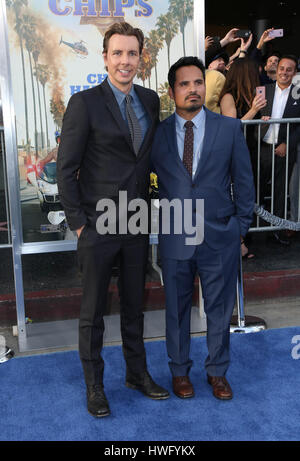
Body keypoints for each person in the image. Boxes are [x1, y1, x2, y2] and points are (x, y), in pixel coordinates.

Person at [57, 21, 169, 418]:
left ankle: (137, 375)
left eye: (132, 53)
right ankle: (95, 386)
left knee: (135, 306)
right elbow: (65, 168)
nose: (125, 61)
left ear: (141, 57)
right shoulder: (84, 103)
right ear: (105, 58)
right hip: (98, 226)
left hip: (136, 222)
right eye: (118, 53)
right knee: (93, 313)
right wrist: (79, 223)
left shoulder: (150, 99)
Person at [151, 57, 255, 400]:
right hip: (175, 236)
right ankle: (179, 371)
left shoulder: (228, 128)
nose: (193, 89)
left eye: (198, 82)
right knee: (176, 310)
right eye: (184, 84)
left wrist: (240, 228)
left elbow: (243, 181)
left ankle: (217, 372)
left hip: (219, 236)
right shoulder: (158, 134)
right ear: (172, 91)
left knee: (219, 309)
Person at [219, 57, 267, 258]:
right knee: (237, 198)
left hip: (252, 152)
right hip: (236, 155)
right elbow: (232, 125)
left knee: (252, 195)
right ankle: (238, 242)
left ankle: (247, 238)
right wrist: (254, 110)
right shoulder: (228, 96)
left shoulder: (250, 95)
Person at [259, 55, 300, 245]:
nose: (284, 72)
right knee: (257, 189)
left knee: (280, 192)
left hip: (284, 149)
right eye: (282, 68)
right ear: (277, 70)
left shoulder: (298, 94)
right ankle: (255, 231)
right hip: (262, 148)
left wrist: (287, 144)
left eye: (289, 69)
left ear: (294, 72)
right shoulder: (262, 90)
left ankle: (276, 231)